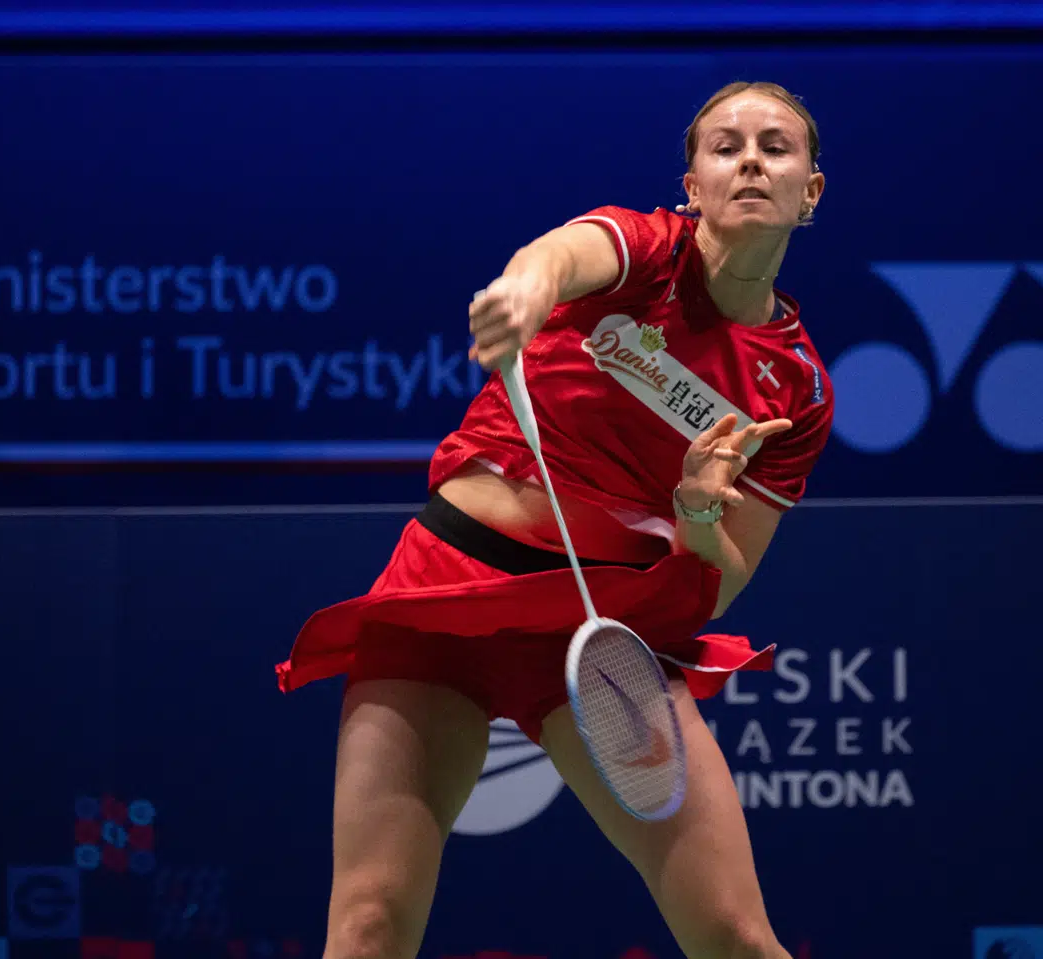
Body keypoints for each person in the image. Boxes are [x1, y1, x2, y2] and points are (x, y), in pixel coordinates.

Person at [275, 81, 834, 959]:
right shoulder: (648, 250)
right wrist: (524, 298)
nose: (751, 160)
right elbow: (559, 258)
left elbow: (720, 585)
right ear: (691, 183)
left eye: (776, 146)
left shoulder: (794, 388)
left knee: (735, 935)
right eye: (725, 147)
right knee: (370, 923)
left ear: (811, 191)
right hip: (444, 594)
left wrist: (693, 506)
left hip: (598, 625)